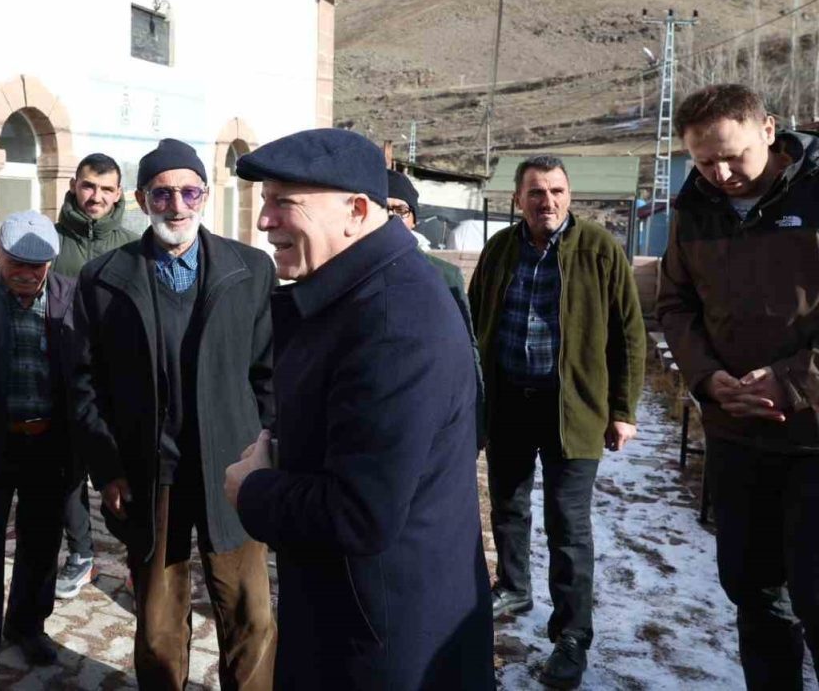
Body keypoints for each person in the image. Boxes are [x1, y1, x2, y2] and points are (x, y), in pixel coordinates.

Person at [226, 128, 493, 690]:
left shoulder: (393, 320)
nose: (263, 221)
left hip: (379, 647)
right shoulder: (359, 292)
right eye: (264, 201)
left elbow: (359, 512)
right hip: (356, 617)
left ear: (355, 210)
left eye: (284, 202)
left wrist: (252, 488)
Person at [69, 138, 277, 690]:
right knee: (159, 625)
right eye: (163, 194)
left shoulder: (250, 270)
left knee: (251, 616)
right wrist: (108, 466)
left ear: (205, 196)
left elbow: (269, 375)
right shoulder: (105, 279)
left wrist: (263, 452)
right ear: (141, 200)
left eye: (189, 192)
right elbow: (84, 384)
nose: (177, 206)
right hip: (149, 473)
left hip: (231, 472)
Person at [657, 84, 819, 690]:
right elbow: (675, 304)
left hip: (813, 441)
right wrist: (708, 379)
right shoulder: (694, 206)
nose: (720, 173)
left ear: (769, 130)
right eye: (703, 160)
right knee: (755, 599)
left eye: (733, 155)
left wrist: (789, 381)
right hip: (737, 437)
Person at [469, 155, 646, 689]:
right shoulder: (500, 250)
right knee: (508, 504)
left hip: (576, 409)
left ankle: (571, 635)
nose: (548, 202)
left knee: (569, 525)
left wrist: (623, 409)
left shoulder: (599, 249)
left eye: (557, 191)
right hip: (510, 404)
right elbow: (474, 324)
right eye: (536, 192)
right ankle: (514, 586)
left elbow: (629, 333)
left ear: (570, 195)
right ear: (517, 199)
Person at [0, 211, 80, 689]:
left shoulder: (72, 299)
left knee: (42, 543)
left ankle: (28, 625)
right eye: (17, 264)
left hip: (50, 442)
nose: (26, 275)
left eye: (37, 267)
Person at [51, 152, 138, 599]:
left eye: (106, 189)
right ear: (74, 185)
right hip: (62, 377)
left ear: (119, 193)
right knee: (69, 475)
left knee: (123, 472)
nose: (96, 197)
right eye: (89, 186)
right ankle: (80, 554)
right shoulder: (51, 240)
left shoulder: (133, 245)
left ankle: (134, 561)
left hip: (119, 385)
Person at [388, 169, 487, 449]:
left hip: (432, 419)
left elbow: (468, 352)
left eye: (400, 209)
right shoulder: (347, 274)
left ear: (414, 219)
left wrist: (477, 423)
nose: (391, 218)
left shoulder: (444, 277)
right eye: (382, 208)